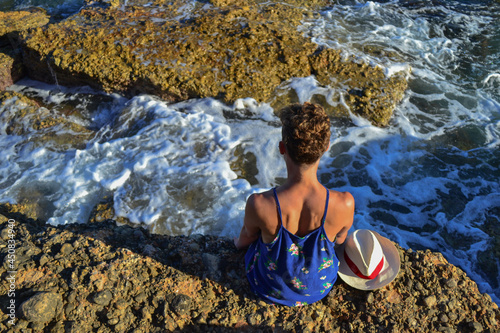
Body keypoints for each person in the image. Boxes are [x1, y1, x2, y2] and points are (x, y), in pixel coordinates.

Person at [234, 102, 355, 306]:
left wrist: (236, 245)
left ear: (282, 148)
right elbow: (340, 240)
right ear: (325, 148)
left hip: (270, 287)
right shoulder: (344, 203)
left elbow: (246, 239)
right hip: (319, 288)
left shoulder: (260, 204)